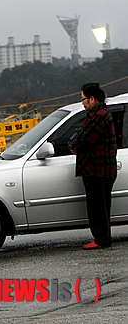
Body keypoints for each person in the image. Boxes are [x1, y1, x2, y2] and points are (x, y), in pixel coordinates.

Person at [70, 83, 117, 249]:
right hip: (98, 169)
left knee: (98, 207)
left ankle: (101, 239)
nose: (82, 103)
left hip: (98, 169)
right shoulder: (98, 113)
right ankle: (101, 237)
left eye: (83, 99)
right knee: (100, 206)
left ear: (92, 99)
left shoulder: (99, 116)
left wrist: (75, 146)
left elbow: (86, 140)